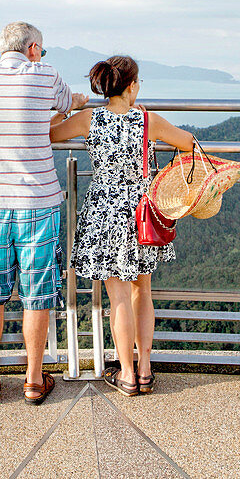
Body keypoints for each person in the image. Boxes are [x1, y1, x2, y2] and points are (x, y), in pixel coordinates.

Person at [0, 22, 88, 405]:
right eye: (41, 51)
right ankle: (32, 380)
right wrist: (76, 100)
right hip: (39, 203)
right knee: (38, 294)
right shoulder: (46, 76)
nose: (41, 57)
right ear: (33, 50)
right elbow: (68, 104)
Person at [49, 55, 194, 396]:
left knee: (118, 298)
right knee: (142, 291)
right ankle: (144, 369)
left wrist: (67, 109)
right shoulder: (149, 121)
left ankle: (126, 374)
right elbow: (188, 142)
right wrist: (141, 115)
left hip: (104, 214)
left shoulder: (90, 119)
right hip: (143, 214)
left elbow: (49, 134)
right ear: (131, 86)